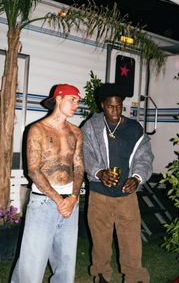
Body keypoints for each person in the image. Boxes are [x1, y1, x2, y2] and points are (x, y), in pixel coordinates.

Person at [11, 84, 84, 283]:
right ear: (58, 99)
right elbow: (33, 170)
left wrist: (73, 198)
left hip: (70, 203)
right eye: (72, 99)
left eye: (78, 100)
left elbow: (78, 166)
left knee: (66, 266)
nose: (76, 104)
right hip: (43, 203)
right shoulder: (37, 130)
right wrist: (59, 199)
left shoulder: (76, 132)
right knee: (32, 265)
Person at [81, 83, 154, 283]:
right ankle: (101, 274)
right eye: (110, 106)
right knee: (100, 239)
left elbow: (145, 157)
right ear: (102, 105)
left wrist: (136, 178)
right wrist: (99, 172)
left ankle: (134, 276)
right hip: (99, 194)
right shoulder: (91, 127)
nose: (115, 111)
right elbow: (84, 154)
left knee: (131, 239)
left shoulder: (133, 128)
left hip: (127, 196)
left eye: (119, 106)